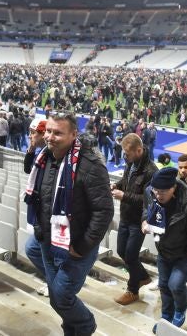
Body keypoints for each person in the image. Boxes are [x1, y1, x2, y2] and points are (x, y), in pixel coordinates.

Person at [26, 112, 113, 336]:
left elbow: (103, 211)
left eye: (58, 133)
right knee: (58, 296)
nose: (50, 137)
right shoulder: (45, 157)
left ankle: (85, 326)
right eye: (49, 131)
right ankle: (71, 330)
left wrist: (83, 246)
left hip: (75, 246)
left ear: (74, 135)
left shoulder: (91, 164)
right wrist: (39, 228)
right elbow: (39, 197)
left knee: (62, 297)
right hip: (48, 239)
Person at [141, 167, 187, 332]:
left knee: (175, 285)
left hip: (183, 253)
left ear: (174, 188)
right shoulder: (150, 192)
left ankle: (180, 310)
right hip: (163, 250)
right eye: (156, 190)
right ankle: (166, 315)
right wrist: (144, 220)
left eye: (163, 191)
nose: (158, 194)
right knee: (163, 285)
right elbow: (146, 209)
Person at [111, 133, 158, 305]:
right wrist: (118, 185)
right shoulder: (131, 162)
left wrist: (124, 195)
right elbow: (126, 179)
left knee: (130, 255)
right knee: (122, 251)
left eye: (128, 154)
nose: (125, 157)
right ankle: (144, 276)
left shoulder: (152, 171)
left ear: (139, 150)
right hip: (125, 215)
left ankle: (133, 290)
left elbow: (149, 200)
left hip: (139, 220)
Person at [23, 117, 50, 297]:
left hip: (46, 215)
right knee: (32, 248)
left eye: (33, 133)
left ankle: (56, 284)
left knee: (38, 250)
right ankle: (53, 280)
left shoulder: (49, 154)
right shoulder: (40, 153)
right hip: (39, 213)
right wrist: (31, 150)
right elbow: (27, 169)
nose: (31, 136)